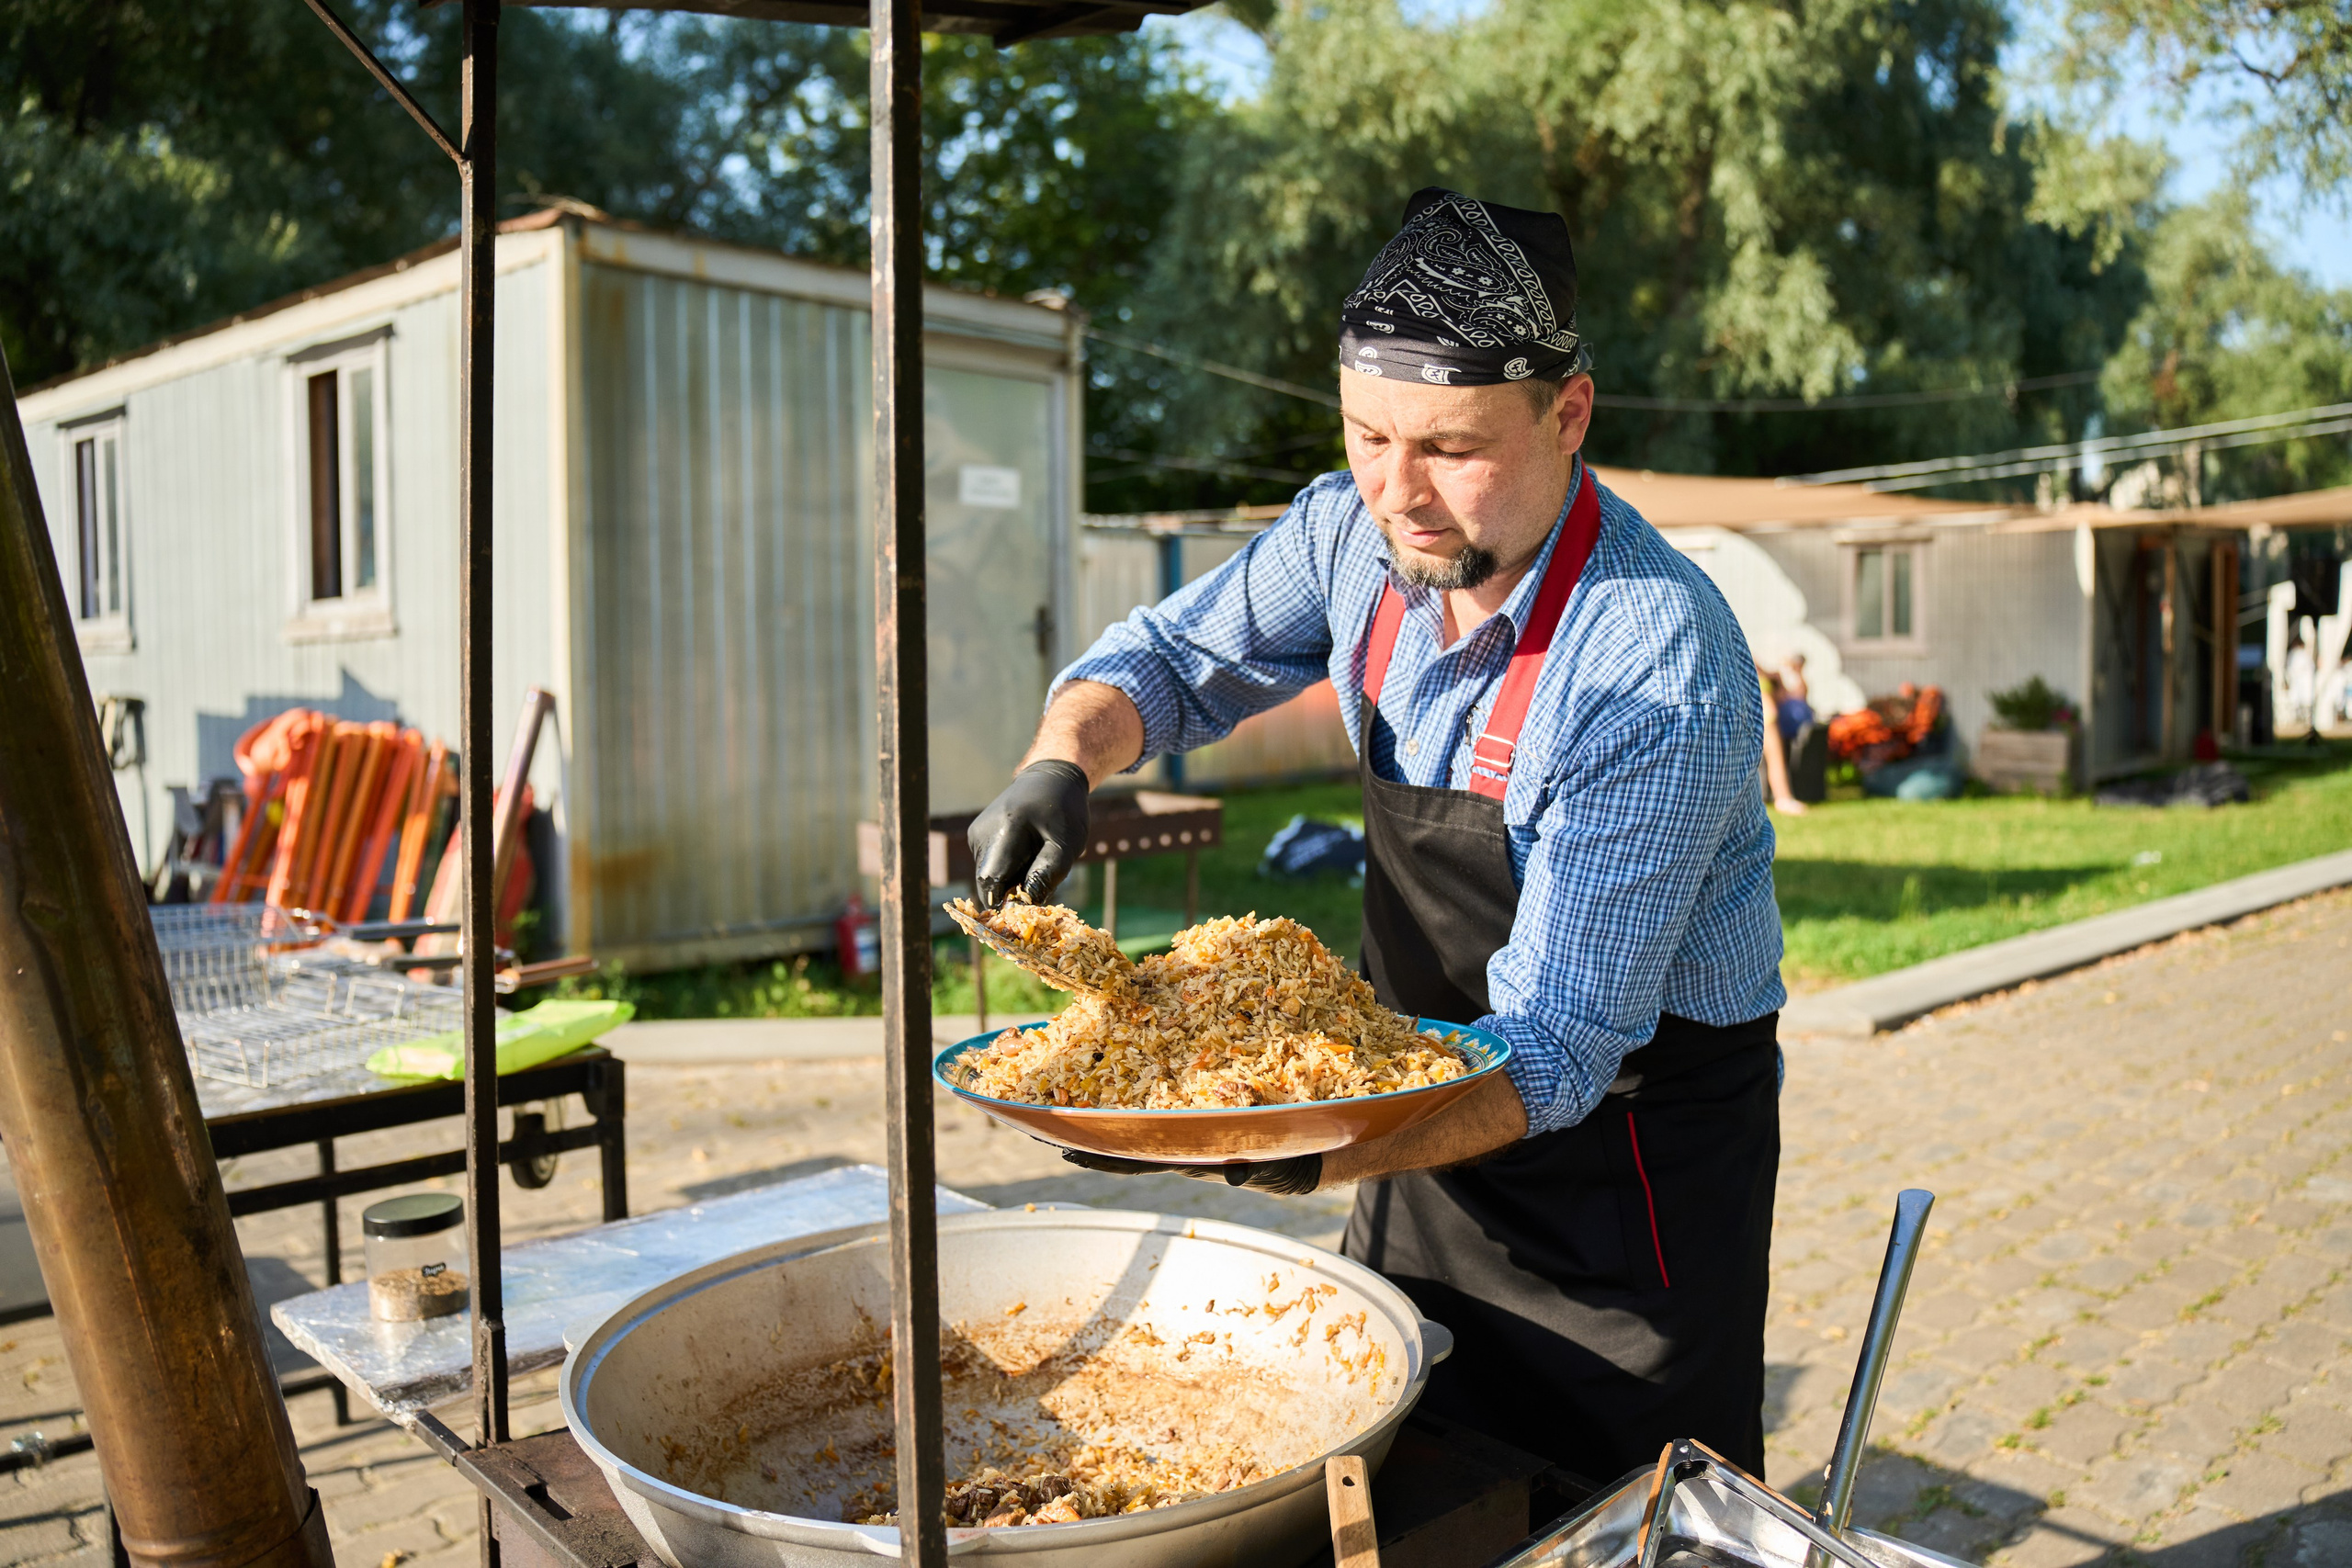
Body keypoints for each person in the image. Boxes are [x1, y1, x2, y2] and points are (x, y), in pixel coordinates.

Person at [964, 188, 1785, 1485]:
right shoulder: (1352, 533)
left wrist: (1283, 1132)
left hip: (1628, 1171)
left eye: (1452, 449)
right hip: (1410, 1115)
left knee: (1617, 1516)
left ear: (1569, 414)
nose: (1400, 496)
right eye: (1366, 436)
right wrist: (1065, 756)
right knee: (1416, 1480)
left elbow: (1561, 1048)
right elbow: (1174, 658)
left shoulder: (1653, 666)